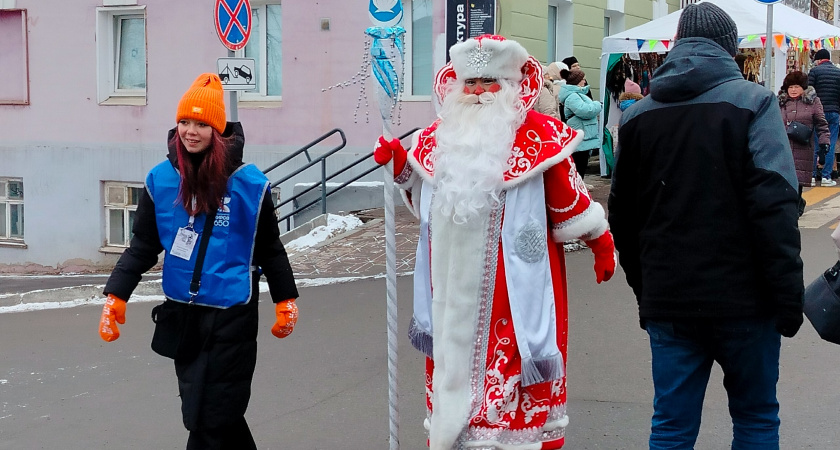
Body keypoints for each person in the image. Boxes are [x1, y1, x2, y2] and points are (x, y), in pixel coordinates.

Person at [373, 34, 616, 449]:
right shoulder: (438, 138)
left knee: (512, 377)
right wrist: (401, 166)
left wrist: (600, 239)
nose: (479, 93)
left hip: (512, 293)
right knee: (456, 379)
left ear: (509, 86)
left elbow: (569, 198)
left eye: (489, 83)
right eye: (471, 84)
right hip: (449, 291)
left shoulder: (541, 136)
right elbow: (427, 203)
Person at [609, 3, 804, 449]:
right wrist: (787, 299)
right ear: (729, 49)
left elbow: (622, 216)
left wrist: (646, 290)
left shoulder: (638, 117)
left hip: (670, 302)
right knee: (755, 418)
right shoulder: (754, 104)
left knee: (672, 426)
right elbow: (775, 211)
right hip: (747, 303)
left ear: (677, 45)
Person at [97, 73, 299, 449]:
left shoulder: (249, 184)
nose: (191, 131)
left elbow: (269, 246)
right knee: (204, 411)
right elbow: (143, 244)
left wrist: (285, 300)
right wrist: (116, 296)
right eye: (184, 122)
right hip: (183, 313)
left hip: (232, 313)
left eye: (201, 124)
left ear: (218, 129)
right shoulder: (161, 180)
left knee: (212, 414)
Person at [778, 70, 830, 214]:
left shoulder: (813, 102)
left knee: (797, 181)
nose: (793, 90)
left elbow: (822, 124)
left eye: (797, 86)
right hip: (784, 147)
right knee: (785, 180)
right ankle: (793, 205)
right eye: (790, 87)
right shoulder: (780, 102)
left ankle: (797, 205)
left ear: (803, 87)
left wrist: (824, 143)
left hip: (803, 148)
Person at [558, 68, 603, 183]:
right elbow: (585, 111)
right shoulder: (573, 96)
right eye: (583, 79)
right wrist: (597, 105)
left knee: (581, 167)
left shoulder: (576, 94)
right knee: (579, 167)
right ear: (577, 81)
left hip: (583, 135)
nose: (585, 81)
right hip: (580, 136)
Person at [808, 48, 840, 186]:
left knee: (815, 142)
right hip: (834, 112)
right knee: (830, 143)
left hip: (817, 112)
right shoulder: (838, 73)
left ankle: (812, 176)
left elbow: (809, 92)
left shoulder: (814, 71)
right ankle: (827, 177)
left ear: (819, 60)